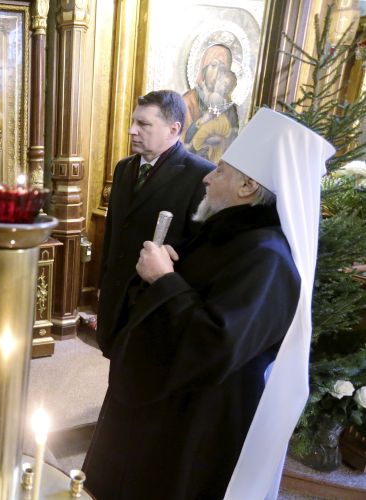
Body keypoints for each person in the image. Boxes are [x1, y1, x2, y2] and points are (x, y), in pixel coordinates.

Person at [83, 108, 335, 499]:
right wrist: (162, 274)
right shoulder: (228, 232)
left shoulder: (267, 258)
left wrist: (164, 279)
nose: (207, 176)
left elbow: (216, 343)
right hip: (164, 400)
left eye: (220, 171)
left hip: (195, 417)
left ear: (247, 186)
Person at [96, 90, 214, 358]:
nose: (131, 130)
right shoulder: (124, 168)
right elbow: (113, 230)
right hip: (116, 294)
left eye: (143, 124)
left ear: (173, 129)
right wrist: (103, 282)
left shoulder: (202, 175)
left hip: (154, 300)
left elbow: (199, 251)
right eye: (133, 121)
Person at [182, 44, 240, 161]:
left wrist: (221, 140)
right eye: (213, 65)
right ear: (204, 67)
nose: (217, 73)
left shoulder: (229, 106)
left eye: (222, 68)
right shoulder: (188, 100)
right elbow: (180, 142)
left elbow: (233, 139)